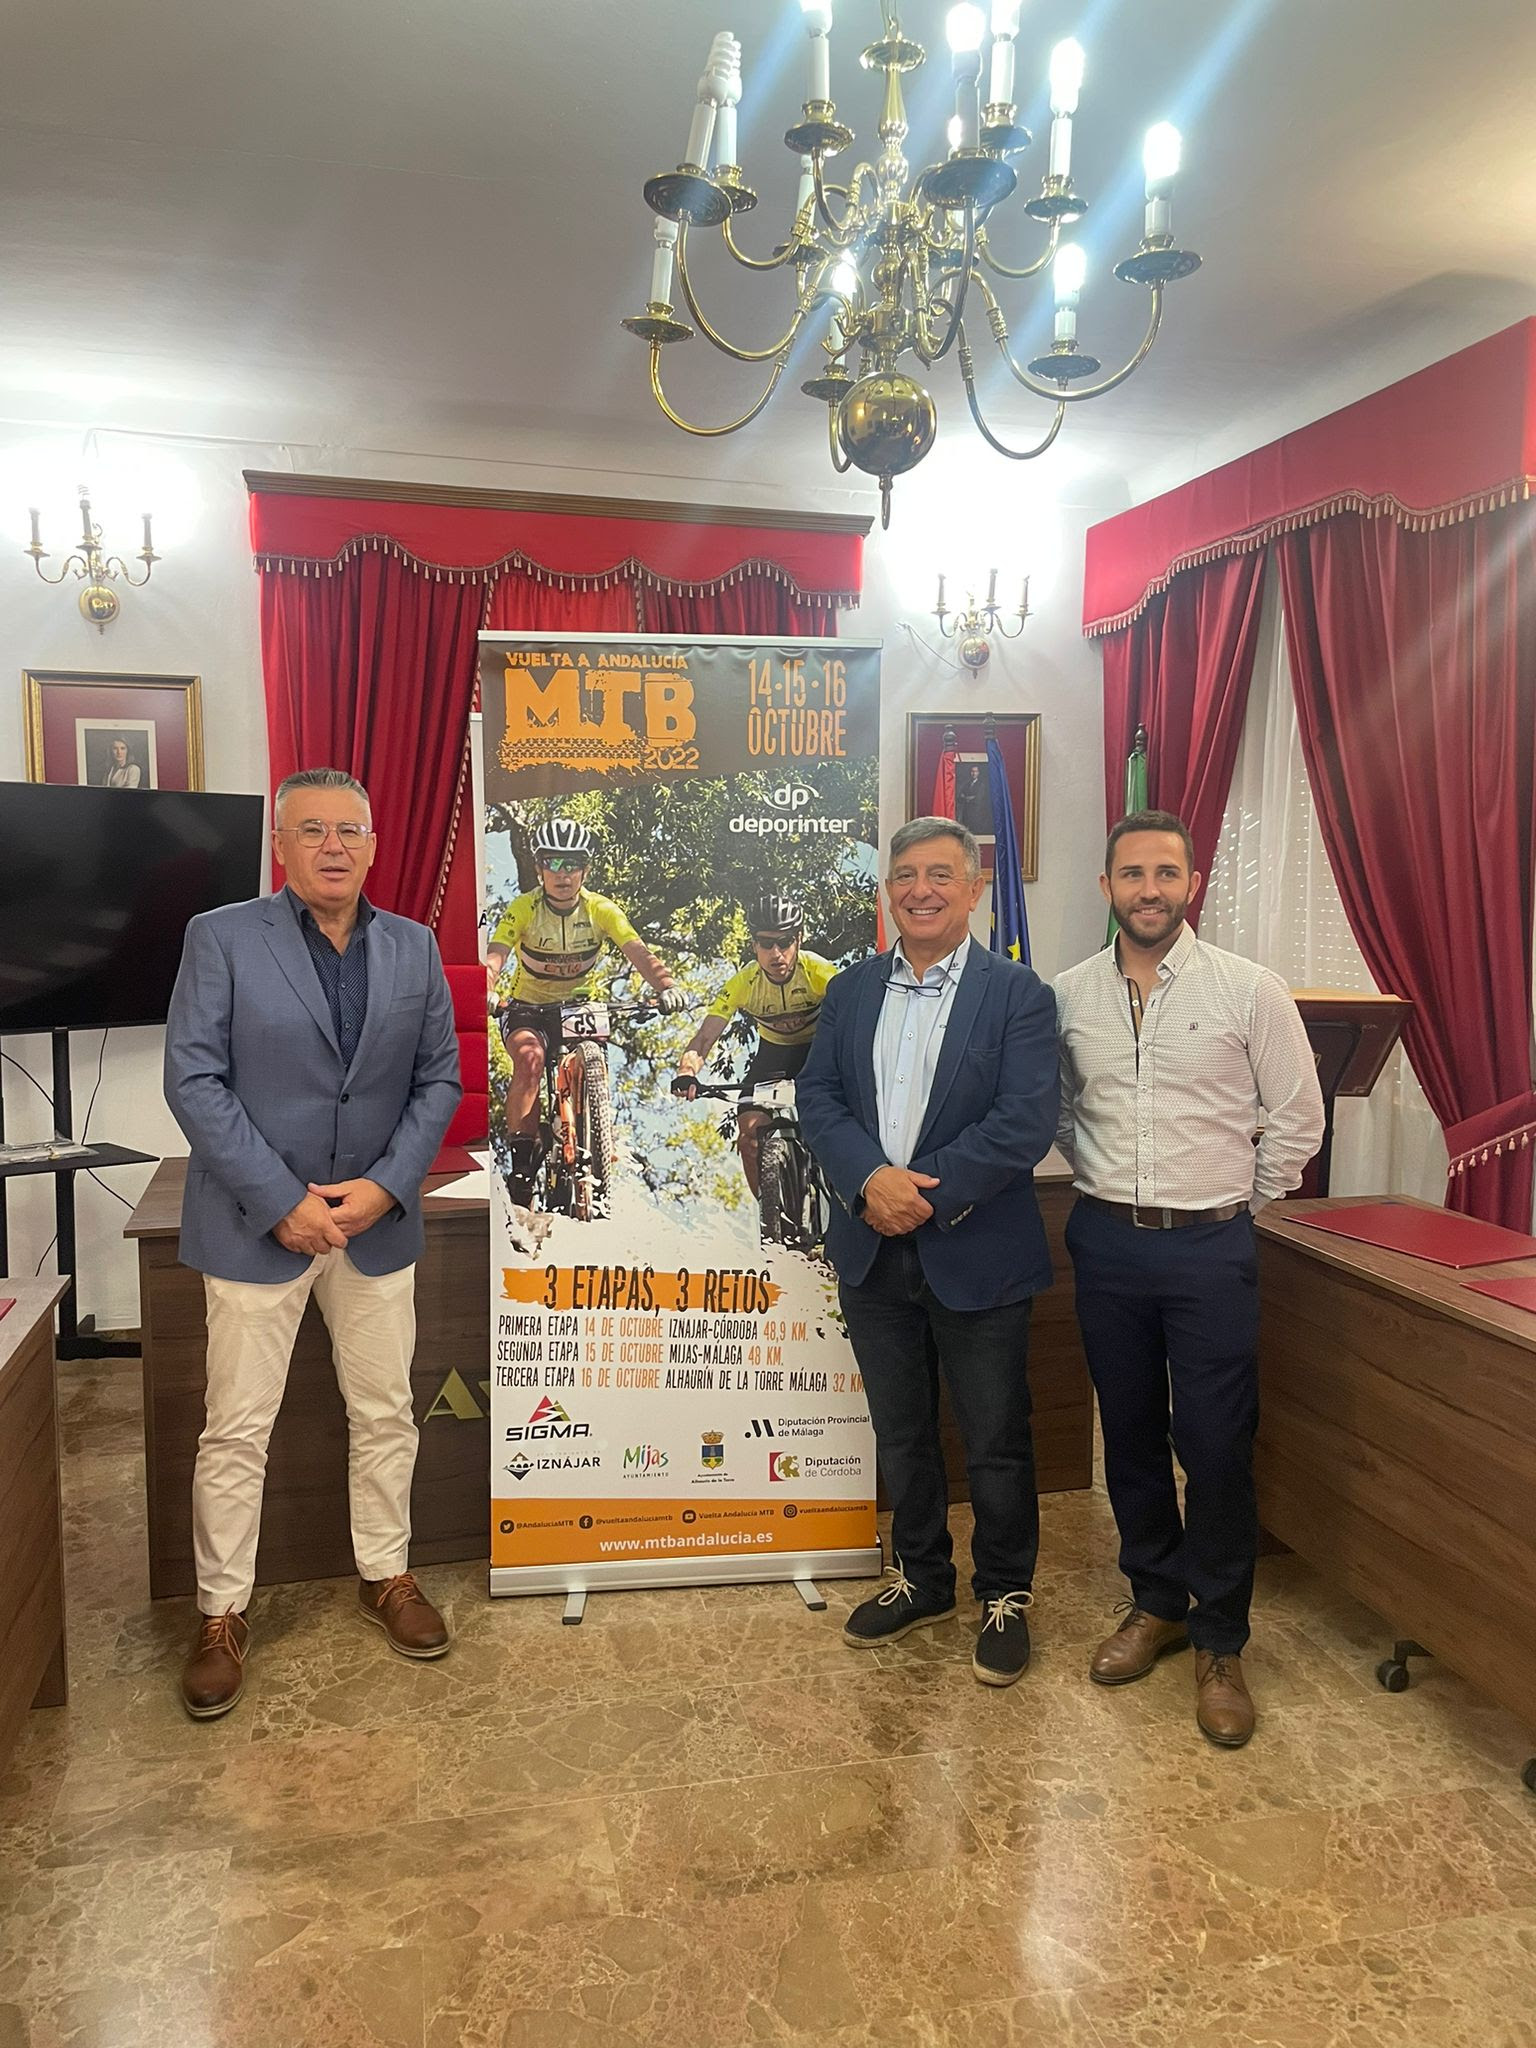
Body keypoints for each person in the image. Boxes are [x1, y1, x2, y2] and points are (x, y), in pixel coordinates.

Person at [164, 767, 462, 1719]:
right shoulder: (221, 937)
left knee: (385, 1412)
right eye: (312, 830)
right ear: (281, 845)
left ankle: (387, 1575)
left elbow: (440, 1081)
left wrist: (384, 1186)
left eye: (350, 830)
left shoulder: (413, 946)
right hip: (258, 1226)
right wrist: (281, 1201)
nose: (334, 846)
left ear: (374, 844)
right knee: (235, 1429)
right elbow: (194, 1080)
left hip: (374, 1226)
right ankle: (221, 1613)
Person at [1054, 808, 1324, 1748]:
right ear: (1107, 888)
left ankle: (1220, 1638)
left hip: (1212, 1248)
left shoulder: (1250, 990)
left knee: (1213, 1445)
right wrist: (1111, 1188)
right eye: (1132, 874)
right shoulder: (1067, 996)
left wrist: (1235, 1203)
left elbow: (1298, 1119)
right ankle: (1157, 1602)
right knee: (1128, 1434)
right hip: (1105, 1243)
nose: (1150, 890)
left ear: (1192, 884)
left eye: (1166, 873)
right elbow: (1059, 1114)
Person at [798, 817, 1058, 1687]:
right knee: (901, 1431)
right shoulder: (850, 990)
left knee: (995, 1437)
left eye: (941, 874)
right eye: (905, 874)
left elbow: (1023, 1122)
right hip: (872, 1250)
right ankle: (922, 1578)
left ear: (973, 888)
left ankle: (1005, 1593)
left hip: (975, 1249)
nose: (921, 890)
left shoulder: (1018, 994)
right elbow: (819, 1096)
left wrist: (918, 1195)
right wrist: (870, 1179)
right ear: (888, 891)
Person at [484, 817, 685, 1199]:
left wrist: (667, 986)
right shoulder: (524, 908)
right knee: (530, 1059)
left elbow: (638, 952)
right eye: (553, 863)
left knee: (595, 1061)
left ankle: (597, 1132)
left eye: (572, 863)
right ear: (540, 868)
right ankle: (522, 1164)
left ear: (586, 870)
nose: (563, 874)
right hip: (528, 1007)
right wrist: (486, 989)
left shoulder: (602, 909)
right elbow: (495, 957)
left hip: (579, 1005)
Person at [671, 894, 837, 1195]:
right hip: (773, 1058)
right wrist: (687, 1071)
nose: (776, 954)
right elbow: (705, 1037)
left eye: (785, 942)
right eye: (766, 944)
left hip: (819, 1053)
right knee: (749, 1137)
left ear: (799, 940)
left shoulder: (818, 971)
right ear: (754, 946)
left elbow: (857, 1015)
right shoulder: (743, 983)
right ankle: (770, 1215)